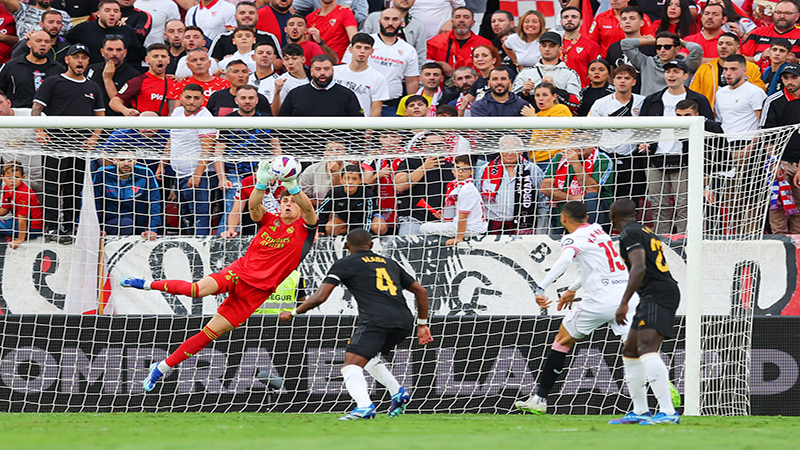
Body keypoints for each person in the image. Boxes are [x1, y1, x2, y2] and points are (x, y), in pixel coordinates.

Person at [122, 160, 317, 393]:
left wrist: (294, 187)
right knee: (197, 290)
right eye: (284, 201)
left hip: (256, 293)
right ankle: (146, 283)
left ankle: (161, 367)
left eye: (292, 202)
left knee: (208, 334)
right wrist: (262, 183)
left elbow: (309, 210)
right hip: (238, 273)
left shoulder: (306, 228)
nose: (288, 204)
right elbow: (254, 207)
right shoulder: (270, 221)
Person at [279, 229, 432, 420]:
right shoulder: (389, 263)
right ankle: (397, 392)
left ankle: (364, 406)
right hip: (404, 322)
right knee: (364, 356)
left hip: (377, 320)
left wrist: (293, 312)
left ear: (346, 246)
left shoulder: (346, 264)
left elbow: (320, 297)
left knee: (351, 364)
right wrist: (422, 325)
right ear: (371, 245)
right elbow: (422, 292)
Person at [514, 201, 638, 414]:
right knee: (637, 350)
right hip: (626, 297)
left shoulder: (571, 239)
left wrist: (541, 287)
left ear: (563, 218)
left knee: (561, 341)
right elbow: (597, 266)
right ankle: (660, 386)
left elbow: (564, 261)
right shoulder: (597, 230)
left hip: (598, 301)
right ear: (587, 218)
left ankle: (540, 399)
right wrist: (572, 289)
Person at [608, 199, 681, 425]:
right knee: (630, 349)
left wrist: (624, 302)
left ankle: (668, 413)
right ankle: (640, 411)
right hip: (653, 293)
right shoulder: (645, 230)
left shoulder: (629, 234)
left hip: (658, 293)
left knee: (647, 348)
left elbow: (639, 266)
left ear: (612, 217)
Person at [32, 43, 104, 241]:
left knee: (75, 187)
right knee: (52, 187)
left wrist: (94, 137)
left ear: (88, 61)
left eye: (83, 57)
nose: (80, 61)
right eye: (76, 57)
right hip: (54, 144)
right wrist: (39, 130)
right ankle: (52, 228)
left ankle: (71, 227)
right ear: (67, 59)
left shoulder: (93, 86)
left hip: (80, 146)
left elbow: (100, 115)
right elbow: (37, 108)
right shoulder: (53, 82)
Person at [640, 59, 712, 235]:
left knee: (684, 205)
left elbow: (709, 129)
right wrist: (642, 143)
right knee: (658, 205)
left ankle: (685, 244)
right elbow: (640, 129)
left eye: (676, 71)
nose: (671, 75)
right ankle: (661, 243)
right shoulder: (652, 100)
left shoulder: (698, 100)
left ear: (685, 76)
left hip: (686, 159)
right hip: (655, 159)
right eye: (668, 71)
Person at [214, 84, 278, 235]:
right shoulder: (227, 120)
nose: (247, 101)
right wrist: (221, 177)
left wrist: (274, 174)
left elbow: (276, 149)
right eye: (243, 98)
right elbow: (218, 152)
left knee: (265, 215)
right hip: (234, 174)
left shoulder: (267, 120)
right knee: (231, 212)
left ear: (257, 100)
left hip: (262, 175)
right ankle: (223, 247)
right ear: (236, 101)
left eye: (251, 98)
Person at [589, 64, 647, 204]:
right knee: (605, 200)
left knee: (630, 202)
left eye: (627, 78)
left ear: (634, 82)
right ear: (613, 80)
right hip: (606, 159)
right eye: (619, 77)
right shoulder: (600, 104)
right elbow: (590, 130)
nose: (622, 81)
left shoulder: (643, 101)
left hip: (632, 160)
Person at [165, 84, 215, 236]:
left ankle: (203, 252)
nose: (191, 101)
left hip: (198, 176)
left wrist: (197, 175)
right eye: (188, 97)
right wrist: (162, 164)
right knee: (186, 218)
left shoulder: (206, 118)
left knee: (200, 218)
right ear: (181, 98)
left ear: (203, 99)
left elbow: (208, 149)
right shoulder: (177, 112)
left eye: (196, 98)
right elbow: (171, 139)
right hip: (179, 174)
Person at [354, 7, 419, 116]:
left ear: (401, 23)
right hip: (361, 103)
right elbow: (348, 69)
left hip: (390, 107)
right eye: (386, 19)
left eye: (395, 19)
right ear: (379, 21)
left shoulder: (409, 50)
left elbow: (411, 81)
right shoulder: (363, 43)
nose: (390, 23)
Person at [475, 135, 544, 234]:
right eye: (506, 149)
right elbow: (477, 199)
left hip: (523, 224)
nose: (510, 153)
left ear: (521, 151)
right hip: (490, 224)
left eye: (514, 149)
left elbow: (542, 201)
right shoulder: (484, 169)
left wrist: (541, 229)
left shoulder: (533, 170)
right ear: (499, 151)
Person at [761, 63, 800, 234]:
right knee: (776, 209)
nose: (789, 81)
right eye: (785, 78)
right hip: (779, 161)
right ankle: (779, 253)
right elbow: (766, 135)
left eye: (794, 77)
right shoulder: (773, 100)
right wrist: (774, 163)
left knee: (798, 211)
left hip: (799, 162)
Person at [541, 143, 614, 231]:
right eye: (577, 141)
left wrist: (575, 163)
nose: (580, 145)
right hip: (565, 212)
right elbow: (545, 188)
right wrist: (571, 198)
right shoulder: (560, 157)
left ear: (594, 143)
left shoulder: (603, 160)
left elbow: (592, 190)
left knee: (591, 198)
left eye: (585, 141)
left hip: (594, 212)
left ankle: (589, 232)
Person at [394, 131, 456, 235]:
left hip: (442, 222)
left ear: (445, 146)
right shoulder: (412, 161)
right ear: (423, 146)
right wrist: (423, 168)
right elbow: (399, 185)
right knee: (407, 247)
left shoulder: (451, 167)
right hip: (413, 219)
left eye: (440, 144)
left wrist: (447, 213)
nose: (436, 148)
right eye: (432, 145)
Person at [418, 154, 487, 245]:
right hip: (465, 225)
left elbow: (463, 217)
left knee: (424, 227)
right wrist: (443, 214)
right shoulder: (457, 186)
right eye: (457, 168)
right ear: (452, 170)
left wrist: (458, 238)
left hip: (471, 227)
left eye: (465, 169)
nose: (460, 172)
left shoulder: (467, 189)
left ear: (472, 172)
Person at [92, 151, 161, 239]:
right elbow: (95, 202)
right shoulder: (103, 173)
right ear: (114, 160)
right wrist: (97, 228)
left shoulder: (146, 173)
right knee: (127, 224)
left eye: (129, 160)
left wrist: (152, 229)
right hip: (112, 222)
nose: (126, 163)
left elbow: (154, 202)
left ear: (135, 161)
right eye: (122, 160)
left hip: (138, 224)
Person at [690, 32, 766, 110]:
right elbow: (693, 94)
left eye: (728, 44)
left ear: (738, 48)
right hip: (712, 117)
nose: (723, 47)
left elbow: (760, 92)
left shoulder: (751, 68)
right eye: (720, 44)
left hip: (741, 115)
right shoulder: (705, 69)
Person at [512, 31, 582, 113]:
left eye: (552, 46)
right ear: (539, 47)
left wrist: (555, 89)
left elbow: (576, 104)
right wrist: (524, 93)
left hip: (558, 122)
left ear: (560, 49)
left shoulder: (569, 74)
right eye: (544, 45)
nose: (547, 49)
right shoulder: (525, 73)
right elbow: (512, 102)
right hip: (530, 122)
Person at [621, 31, 703, 97]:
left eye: (667, 47)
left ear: (677, 48)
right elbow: (625, 44)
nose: (662, 50)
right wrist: (653, 41)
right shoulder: (646, 62)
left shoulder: (686, 64)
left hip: (678, 109)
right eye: (658, 47)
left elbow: (697, 49)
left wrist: (682, 43)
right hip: (651, 108)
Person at [65, 0, 144, 66]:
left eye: (115, 11)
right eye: (107, 10)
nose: (112, 13)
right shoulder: (83, 28)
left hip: (119, 75)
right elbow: (64, 43)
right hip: (91, 75)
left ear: (120, 15)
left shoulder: (127, 31)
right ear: (98, 14)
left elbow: (138, 52)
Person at [279, 54, 362, 116]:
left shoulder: (347, 95)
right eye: (318, 69)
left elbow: (358, 127)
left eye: (326, 69)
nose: (322, 73)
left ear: (332, 71)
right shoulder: (295, 94)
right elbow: (282, 124)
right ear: (311, 71)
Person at [0, 30, 64, 108]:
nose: (43, 44)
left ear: (50, 46)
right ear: (29, 44)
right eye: (38, 41)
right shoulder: (11, 66)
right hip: (19, 114)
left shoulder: (59, 69)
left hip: (49, 116)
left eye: (47, 42)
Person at [317, 164, 384, 235]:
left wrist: (364, 235)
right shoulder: (334, 193)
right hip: (344, 218)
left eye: (354, 179)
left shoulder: (367, 193)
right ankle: (348, 236)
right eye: (346, 178)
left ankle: (370, 237)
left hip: (367, 218)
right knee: (330, 227)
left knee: (379, 227)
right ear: (341, 180)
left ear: (360, 181)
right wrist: (321, 230)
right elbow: (322, 211)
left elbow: (369, 216)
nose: (350, 182)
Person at [110, 43, 175, 116]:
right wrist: (125, 110)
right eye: (155, 56)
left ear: (168, 60)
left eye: (163, 56)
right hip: (142, 125)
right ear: (147, 60)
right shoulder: (138, 81)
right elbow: (114, 102)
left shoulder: (174, 83)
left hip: (166, 126)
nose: (160, 59)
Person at [334, 33, 389, 117]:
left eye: (366, 48)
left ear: (371, 51)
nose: (362, 51)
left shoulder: (378, 78)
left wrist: (369, 130)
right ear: (351, 49)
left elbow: (376, 110)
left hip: (360, 125)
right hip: (333, 121)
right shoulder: (334, 71)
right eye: (358, 47)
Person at [210, 2, 282, 66]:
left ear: (257, 17)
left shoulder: (268, 37)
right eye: (242, 13)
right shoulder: (222, 38)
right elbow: (212, 63)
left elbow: (280, 63)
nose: (247, 16)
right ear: (235, 17)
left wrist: (262, 61)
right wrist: (227, 62)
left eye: (251, 13)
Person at [360, 0, 427, 68]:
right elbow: (360, 41)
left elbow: (421, 55)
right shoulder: (374, 17)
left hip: (402, 71)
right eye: (386, 19)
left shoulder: (418, 25)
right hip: (372, 66)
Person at [521, 83, 573, 170]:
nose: (540, 98)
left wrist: (533, 118)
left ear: (554, 97)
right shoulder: (537, 115)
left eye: (545, 95)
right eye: (537, 95)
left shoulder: (561, 109)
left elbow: (550, 132)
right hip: (535, 161)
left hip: (554, 160)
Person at [427, 6, 491, 77]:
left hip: (475, 85)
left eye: (466, 17)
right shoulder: (435, 42)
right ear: (452, 22)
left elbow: (490, 68)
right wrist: (440, 64)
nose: (461, 20)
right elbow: (423, 63)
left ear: (473, 23)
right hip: (443, 85)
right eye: (457, 17)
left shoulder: (485, 44)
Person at [85, 36, 140, 116]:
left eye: (118, 50)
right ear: (102, 52)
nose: (114, 54)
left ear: (125, 53)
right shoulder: (91, 69)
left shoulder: (134, 76)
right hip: (90, 120)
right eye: (110, 49)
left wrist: (108, 79)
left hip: (117, 123)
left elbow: (119, 104)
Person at [714, 54, 767, 136]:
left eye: (733, 69)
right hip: (725, 142)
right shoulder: (720, 93)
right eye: (725, 69)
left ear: (744, 71)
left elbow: (763, 124)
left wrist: (750, 147)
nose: (728, 73)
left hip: (747, 141)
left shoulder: (755, 92)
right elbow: (721, 120)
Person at [741, 0, 800, 67]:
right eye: (778, 12)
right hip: (759, 75)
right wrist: (759, 57)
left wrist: (797, 61)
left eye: (787, 13)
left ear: (797, 16)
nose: (782, 16)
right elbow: (741, 59)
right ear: (773, 13)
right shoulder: (758, 33)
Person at [588, 0, 654, 58]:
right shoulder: (600, 18)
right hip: (609, 62)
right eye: (624, 19)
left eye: (632, 18)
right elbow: (592, 42)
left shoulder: (642, 17)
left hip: (635, 60)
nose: (615, 0)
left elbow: (649, 41)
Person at [0, 161, 43, 249]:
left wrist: (20, 239)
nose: (13, 181)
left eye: (16, 177)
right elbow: (4, 209)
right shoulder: (7, 188)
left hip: (32, 228)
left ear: (23, 177)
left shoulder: (22, 193)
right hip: (18, 222)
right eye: (9, 177)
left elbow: (23, 219)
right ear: (3, 178)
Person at [206, 59, 272, 116]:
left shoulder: (260, 99)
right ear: (227, 76)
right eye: (235, 72)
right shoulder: (217, 97)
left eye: (244, 72)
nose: (241, 75)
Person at [559, 6, 603, 88]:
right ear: (561, 22)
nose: (569, 19)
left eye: (574, 17)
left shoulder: (592, 45)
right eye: (566, 17)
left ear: (581, 22)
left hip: (582, 91)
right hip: (558, 92)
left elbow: (597, 72)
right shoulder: (555, 45)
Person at [1, 0, 72, 39]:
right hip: (26, 53)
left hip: (55, 56)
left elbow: (71, 37)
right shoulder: (24, 11)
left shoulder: (63, 15)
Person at [270, 43, 308, 114]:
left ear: (303, 59)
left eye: (294, 58)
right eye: (286, 59)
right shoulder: (282, 81)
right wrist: (277, 93)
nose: (290, 62)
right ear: (283, 62)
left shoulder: (313, 76)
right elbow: (276, 113)